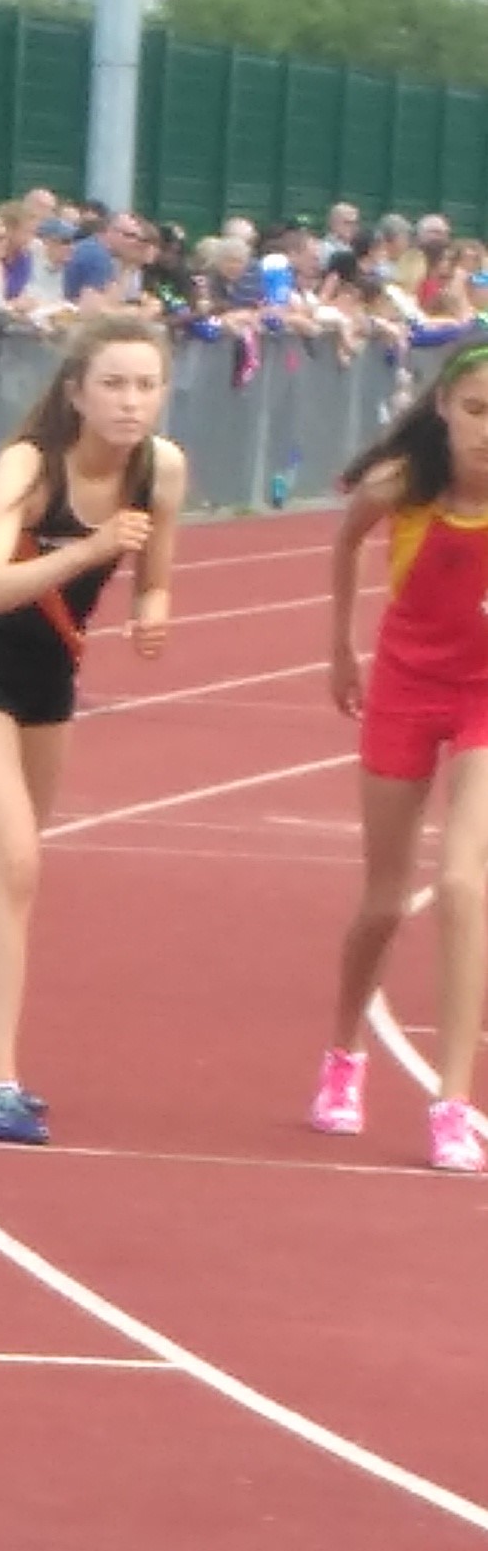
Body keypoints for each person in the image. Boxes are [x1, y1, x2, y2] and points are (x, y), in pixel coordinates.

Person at [0, 313, 184, 1142]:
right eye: (113, 384)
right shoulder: (30, 466)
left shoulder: (160, 468)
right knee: (13, 859)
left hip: (51, 678)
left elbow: (154, 574)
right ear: (76, 392)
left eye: (146, 385)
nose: (130, 401)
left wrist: (153, 611)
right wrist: (86, 549)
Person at [313, 338, 488, 1169]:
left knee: (462, 884)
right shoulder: (401, 487)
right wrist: (340, 648)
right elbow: (347, 542)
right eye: (477, 410)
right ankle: (343, 1053)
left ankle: (453, 1100)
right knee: (384, 901)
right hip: (408, 687)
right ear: (444, 409)